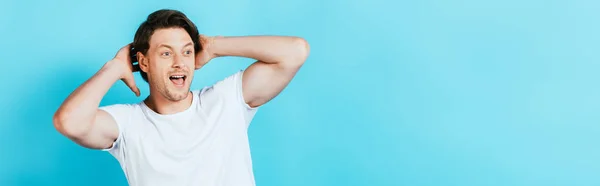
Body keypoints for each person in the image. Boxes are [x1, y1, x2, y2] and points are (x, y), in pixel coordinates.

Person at [52, 9, 309, 186]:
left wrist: (214, 47)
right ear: (143, 61)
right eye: (166, 54)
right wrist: (114, 68)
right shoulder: (128, 122)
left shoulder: (226, 100)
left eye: (186, 52)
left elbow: (295, 52)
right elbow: (69, 122)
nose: (179, 63)